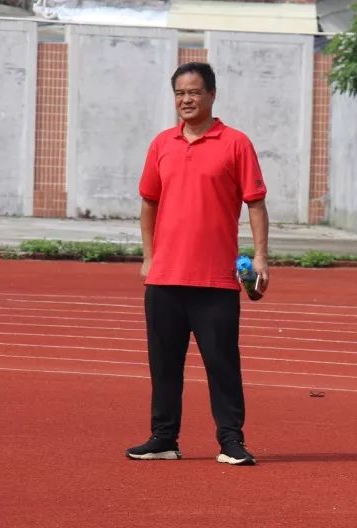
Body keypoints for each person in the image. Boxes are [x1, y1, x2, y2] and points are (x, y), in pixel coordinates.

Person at [126, 62, 269, 466]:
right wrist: (149, 258)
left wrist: (259, 257)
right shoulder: (162, 144)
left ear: (211, 94)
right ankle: (164, 439)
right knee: (164, 364)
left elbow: (255, 203)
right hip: (165, 277)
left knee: (222, 365)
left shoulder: (236, 143)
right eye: (179, 93)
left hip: (216, 280)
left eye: (194, 92)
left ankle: (230, 441)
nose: (186, 100)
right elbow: (149, 203)